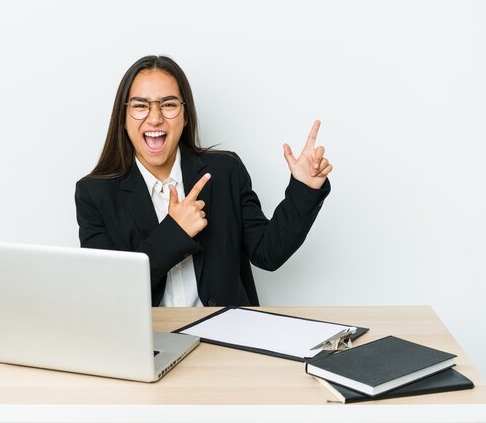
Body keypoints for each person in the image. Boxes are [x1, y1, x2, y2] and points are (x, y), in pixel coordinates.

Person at [75, 55, 332, 307]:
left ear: (185, 115)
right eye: (141, 105)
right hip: (149, 341)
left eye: (168, 104)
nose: (155, 118)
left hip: (228, 334)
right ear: (123, 118)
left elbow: (268, 253)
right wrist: (175, 232)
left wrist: (305, 188)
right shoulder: (94, 193)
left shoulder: (225, 171)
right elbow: (109, 291)